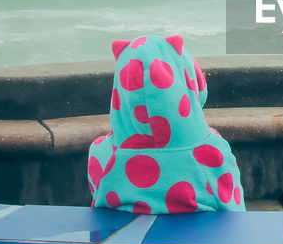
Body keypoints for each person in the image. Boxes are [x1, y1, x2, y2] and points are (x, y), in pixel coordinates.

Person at [88, 34, 245, 212]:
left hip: (123, 239)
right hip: (200, 239)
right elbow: (236, 218)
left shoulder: (101, 154)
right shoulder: (212, 153)